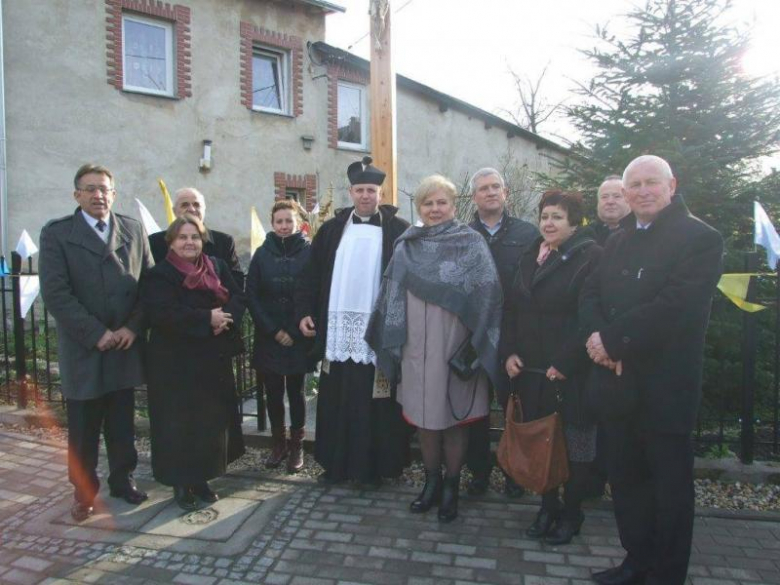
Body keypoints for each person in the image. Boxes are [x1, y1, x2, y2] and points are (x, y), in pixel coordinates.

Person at [582, 155, 723, 585]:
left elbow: (677, 307)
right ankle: (636, 562)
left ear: (672, 185)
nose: (642, 191)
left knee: (669, 491)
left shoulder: (700, 238)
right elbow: (592, 292)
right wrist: (597, 340)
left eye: (651, 183)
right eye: (634, 185)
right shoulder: (620, 238)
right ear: (624, 194)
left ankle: (665, 575)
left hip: (665, 388)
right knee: (626, 483)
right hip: (618, 385)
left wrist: (613, 340)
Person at [367, 175, 503, 523]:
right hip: (415, 348)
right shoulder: (406, 245)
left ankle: (451, 488)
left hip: (456, 349)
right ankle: (431, 483)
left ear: (454, 206)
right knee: (426, 422)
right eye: (428, 203)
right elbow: (391, 294)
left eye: (441, 202)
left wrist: (474, 345)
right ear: (420, 208)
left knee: (454, 421)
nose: (435, 209)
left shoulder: (470, 243)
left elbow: (489, 296)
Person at [39, 163, 153, 522]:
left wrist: (132, 328)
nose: (98, 195)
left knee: (122, 424)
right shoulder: (58, 235)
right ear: (77, 195)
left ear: (113, 194)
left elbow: (149, 287)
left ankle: (123, 480)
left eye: (104, 189)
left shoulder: (132, 230)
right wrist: (95, 333)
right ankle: (84, 492)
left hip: (123, 346)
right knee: (84, 428)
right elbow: (56, 294)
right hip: (85, 350)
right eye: (89, 189)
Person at [294, 156, 410, 486]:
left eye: (371, 190)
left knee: (374, 404)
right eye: (359, 190)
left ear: (380, 192)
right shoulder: (331, 231)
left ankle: (372, 470)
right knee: (336, 399)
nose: (365, 196)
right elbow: (310, 276)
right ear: (350, 192)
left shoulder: (399, 231)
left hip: (378, 335)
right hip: (337, 334)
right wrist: (304, 313)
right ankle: (336, 466)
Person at [501, 190, 601, 545]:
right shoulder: (532, 255)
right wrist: (509, 351)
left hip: (568, 371)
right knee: (542, 440)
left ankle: (572, 511)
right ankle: (547, 506)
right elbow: (512, 307)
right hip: (531, 369)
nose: (549, 223)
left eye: (557, 217)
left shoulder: (590, 257)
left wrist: (566, 362)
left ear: (575, 222)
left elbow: (590, 317)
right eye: (545, 216)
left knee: (574, 444)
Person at [141, 214, 246, 510]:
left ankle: (202, 478)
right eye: (183, 237)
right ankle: (180, 482)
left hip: (211, 358)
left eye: (195, 237)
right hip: (174, 362)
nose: (190, 242)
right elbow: (162, 313)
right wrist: (205, 318)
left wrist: (223, 319)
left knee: (207, 422)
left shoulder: (218, 267)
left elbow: (238, 297)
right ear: (171, 242)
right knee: (178, 424)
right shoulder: (160, 275)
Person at [465, 167, 538, 498]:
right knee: (475, 410)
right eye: (483, 188)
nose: (491, 192)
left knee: (513, 409)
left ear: (506, 193)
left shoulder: (527, 234)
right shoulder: (462, 235)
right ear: (474, 197)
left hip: (513, 338)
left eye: (496, 187)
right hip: (473, 337)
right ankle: (478, 472)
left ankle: (514, 472)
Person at [247, 200, 312, 473]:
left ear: (298, 223)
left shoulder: (310, 253)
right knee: (272, 393)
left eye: (289, 221)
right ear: (272, 224)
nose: (284, 226)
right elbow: (252, 295)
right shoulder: (261, 255)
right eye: (279, 222)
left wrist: (296, 330)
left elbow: (313, 292)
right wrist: (274, 330)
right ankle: (278, 443)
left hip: (299, 337)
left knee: (296, 393)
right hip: (269, 336)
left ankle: (297, 446)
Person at [148, 187, 244, 289]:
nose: (192, 209)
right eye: (185, 205)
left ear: (204, 209)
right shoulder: (155, 242)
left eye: (196, 205)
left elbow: (236, 282)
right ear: (174, 211)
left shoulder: (224, 242)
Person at [593, 175, 631, 246]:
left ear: (629, 200)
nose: (610, 202)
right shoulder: (588, 236)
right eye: (604, 197)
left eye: (617, 196)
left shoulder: (639, 234)